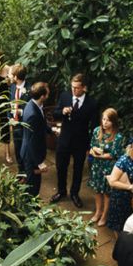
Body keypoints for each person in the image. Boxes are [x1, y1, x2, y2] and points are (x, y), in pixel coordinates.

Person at [51, 73, 99, 208]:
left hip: (80, 142)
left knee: (78, 169)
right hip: (64, 140)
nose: (74, 90)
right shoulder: (65, 96)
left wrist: (91, 146)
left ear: (84, 88)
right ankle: (61, 191)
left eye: (77, 88)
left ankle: (74, 193)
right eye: (72, 87)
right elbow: (55, 114)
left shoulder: (92, 103)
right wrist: (62, 112)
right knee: (61, 167)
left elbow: (94, 126)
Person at [86, 108, 123, 225]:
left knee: (107, 193)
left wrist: (100, 155)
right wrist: (93, 151)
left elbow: (114, 154)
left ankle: (104, 215)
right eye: (103, 119)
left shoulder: (118, 137)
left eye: (108, 120)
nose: (105, 122)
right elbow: (91, 145)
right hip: (97, 167)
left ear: (114, 122)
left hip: (108, 168)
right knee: (97, 191)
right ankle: (98, 212)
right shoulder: (97, 131)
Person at [19, 82, 54, 197]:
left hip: (31, 153)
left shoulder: (32, 104)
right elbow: (31, 142)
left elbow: (41, 123)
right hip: (31, 156)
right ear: (42, 96)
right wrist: (39, 162)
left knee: (33, 184)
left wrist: (51, 130)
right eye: (47, 94)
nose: (48, 95)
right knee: (32, 187)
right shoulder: (33, 114)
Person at [8, 64, 31, 171]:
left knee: (25, 149)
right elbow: (9, 104)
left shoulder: (30, 90)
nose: (10, 77)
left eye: (11, 75)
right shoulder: (12, 87)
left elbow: (32, 109)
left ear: (16, 77)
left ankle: (27, 171)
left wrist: (20, 112)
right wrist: (10, 118)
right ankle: (20, 171)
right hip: (15, 124)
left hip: (25, 125)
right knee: (17, 148)